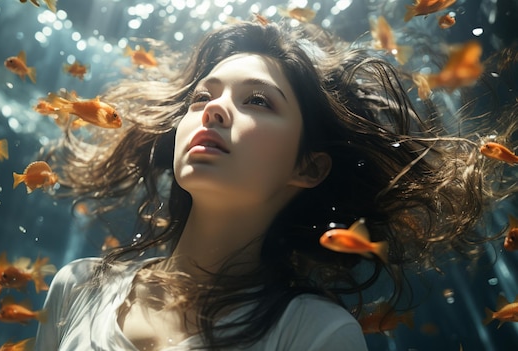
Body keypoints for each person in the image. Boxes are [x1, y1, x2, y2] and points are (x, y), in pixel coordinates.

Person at [35, 20, 517, 350]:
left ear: (308, 168)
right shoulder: (76, 288)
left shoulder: (316, 335)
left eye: (259, 101)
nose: (214, 109)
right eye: (203, 95)